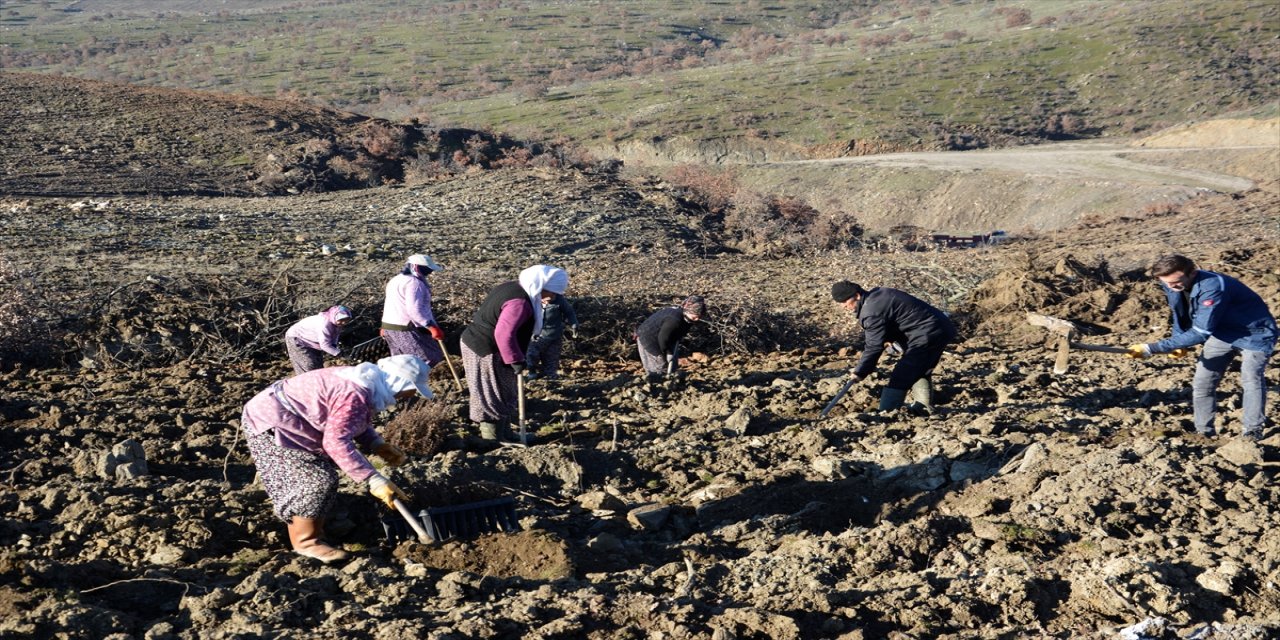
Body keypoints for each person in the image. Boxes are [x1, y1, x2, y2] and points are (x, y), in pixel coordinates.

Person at [239, 354, 431, 563]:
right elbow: (335, 441)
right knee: (316, 482)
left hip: (289, 417)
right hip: (271, 423)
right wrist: (372, 479)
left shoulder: (365, 381)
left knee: (319, 476)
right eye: (407, 391)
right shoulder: (355, 393)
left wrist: (376, 444)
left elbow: (348, 421)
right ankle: (306, 543)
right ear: (397, 382)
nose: (407, 397)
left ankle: (315, 528)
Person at [1126, 254, 1277, 439]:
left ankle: (1253, 431)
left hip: (1255, 334)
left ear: (1193, 273)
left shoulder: (1214, 286)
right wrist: (1178, 341)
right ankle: (1203, 432)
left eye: (1175, 283)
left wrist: (1153, 348)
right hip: (1222, 333)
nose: (1171, 287)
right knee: (1202, 383)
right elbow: (1179, 313)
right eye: (1166, 283)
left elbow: (1201, 332)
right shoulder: (1172, 283)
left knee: (1251, 378)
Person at [460, 264, 569, 443]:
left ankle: (506, 434)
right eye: (553, 292)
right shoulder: (519, 303)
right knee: (491, 393)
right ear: (541, 287)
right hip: (485, 348)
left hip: (491, 346)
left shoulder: (516, 285)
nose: (555, 297)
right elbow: (503, 333)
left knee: (504, 390)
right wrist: (516, 359)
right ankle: (493, 440)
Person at [832, 280, 956, 412]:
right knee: (919, 368)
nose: (844, 306)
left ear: (857, 296)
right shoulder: (879, 294)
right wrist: (890, 337)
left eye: (845, 302)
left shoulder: (871, 311)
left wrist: (860, 371)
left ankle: (886, 413)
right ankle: (922, 406)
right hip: (936, 327)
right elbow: (897, 318)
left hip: (928, 333)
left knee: (902, 374)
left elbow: (874, 346)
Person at [381, 254, 446, 367]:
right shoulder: (415, 284)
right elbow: (414, 310)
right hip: (405, 328)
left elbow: (391, 305)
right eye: (427, 269)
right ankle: (424, 383)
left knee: (400, 362)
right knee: (426, 360)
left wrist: (384, 326)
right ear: (417, 267)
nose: (430, 272)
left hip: (390, 327)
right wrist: (431, 327)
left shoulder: (396, 279)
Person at [636, 295, 707, 380]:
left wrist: (672, 351)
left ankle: (671, 382)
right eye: (695, 316)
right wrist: (668, 352)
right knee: (659, 367)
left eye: (699, 316)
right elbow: (663, 338)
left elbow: (677, 333)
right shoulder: (674, 320)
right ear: (688, 311)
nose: (697, 319)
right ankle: (656, 387)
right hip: (648, 337)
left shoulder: (686, 317)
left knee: (672, 365)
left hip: (665, 338)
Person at [284, 305, 353, 375]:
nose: (343, 323)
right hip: (297, 338)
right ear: (334, 316)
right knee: (308, 366)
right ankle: (307, 384)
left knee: (318, 366)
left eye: (346, 320)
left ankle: (317, 383)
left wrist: (334, 346)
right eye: (341, 320)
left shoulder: (335, 323)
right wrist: (339, 353)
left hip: (312, 341)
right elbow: (325, 345)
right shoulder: (325, 324)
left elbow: (334, 336)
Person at [526, 292, 578, 381]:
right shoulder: (533, 300)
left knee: (552, 359)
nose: (551, 297)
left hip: (554, 336)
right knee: (531, 354)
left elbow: (569, 312)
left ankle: (551, 379)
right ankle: (532, 373)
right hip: (537, 335)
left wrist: (574, 324)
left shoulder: (559, 300)